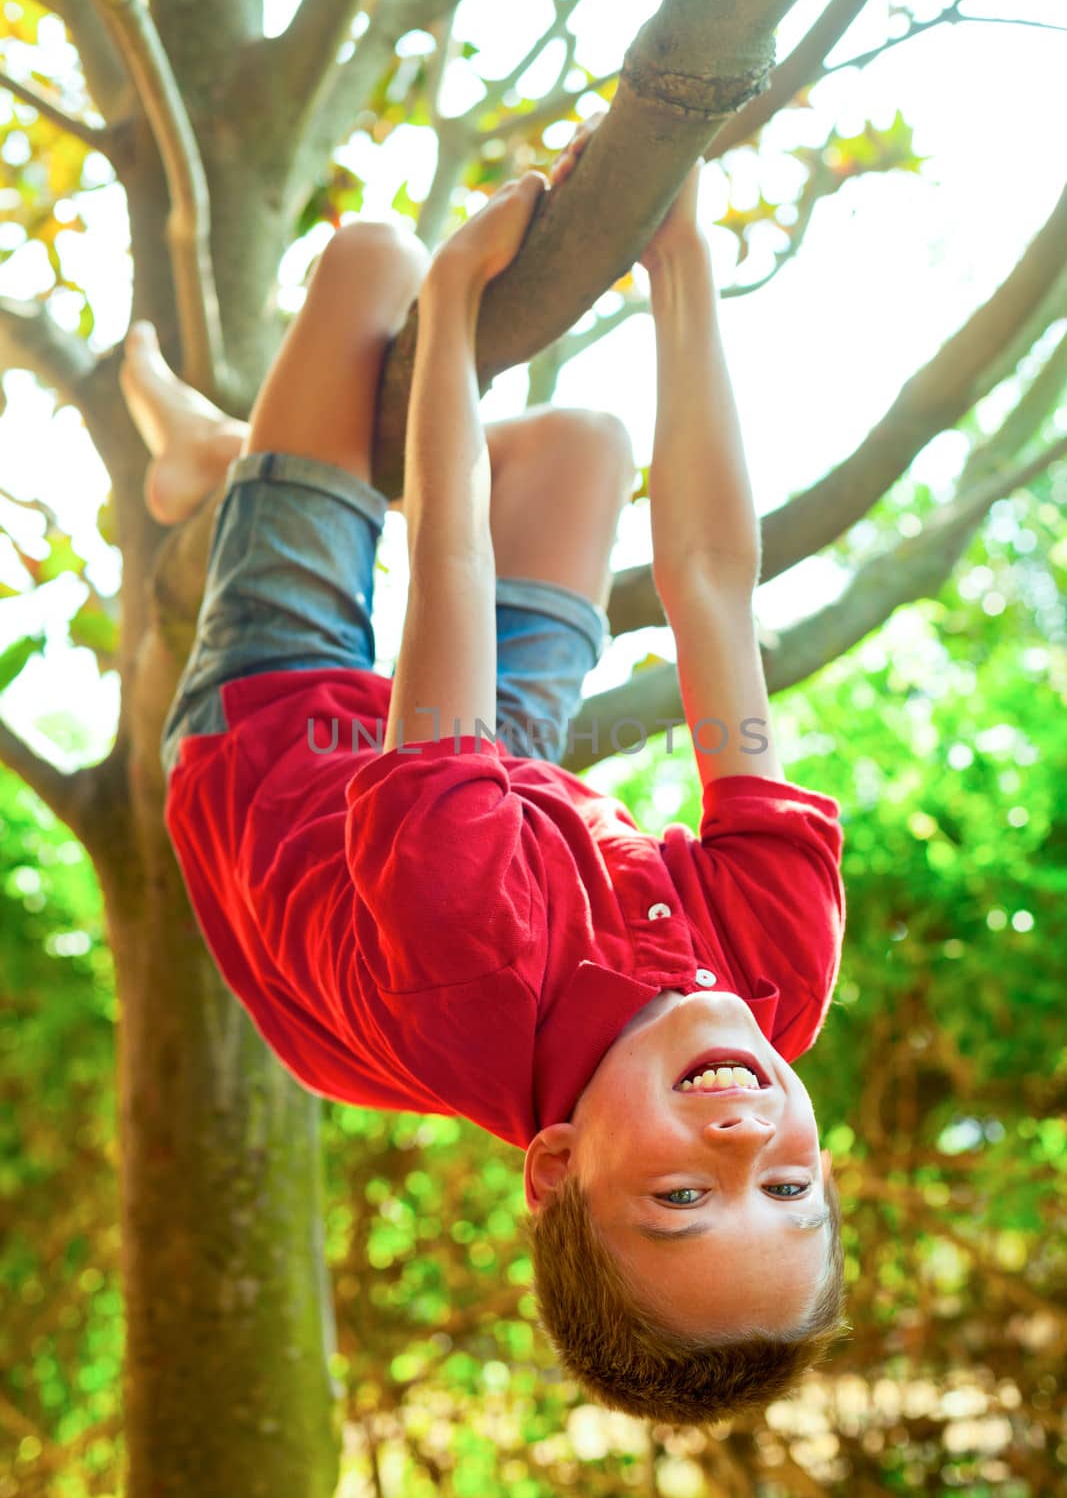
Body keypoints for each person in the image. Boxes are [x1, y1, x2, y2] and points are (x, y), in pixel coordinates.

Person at [128, 117, 847, 1425]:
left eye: (683, 1197)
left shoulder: (459, 948)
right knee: (581, 448)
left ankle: (256, 465)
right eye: (791, 1191)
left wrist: (456, 297)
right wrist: (680, 256)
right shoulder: (779, 975)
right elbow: (709, 589)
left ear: (557, 1165)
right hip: (488, 787)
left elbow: (448, 566)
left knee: (374, 262)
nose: (748, 1146)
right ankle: (236, 454)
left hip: (282, 747)